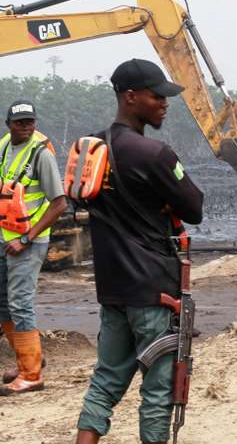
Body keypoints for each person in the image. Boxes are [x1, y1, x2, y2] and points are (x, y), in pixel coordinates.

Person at [75, 59, 204, 444]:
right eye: (157, 95)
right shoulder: (154, 154)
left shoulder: (89, 151)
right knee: (159, 391)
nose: (165, 103)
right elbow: (194, 209)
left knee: (105, 382)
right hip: (153, 291)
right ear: (131, 97)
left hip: (113, 290)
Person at [0, 100, 70, 395]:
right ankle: (27, 358)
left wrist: (27, 239)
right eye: (20, 122)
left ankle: (31, 374)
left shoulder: (41, 154)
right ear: (8, 124)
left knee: (20, 303)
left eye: (30, 121)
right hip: (1, 237)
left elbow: (59, 205)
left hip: (27, 243)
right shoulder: (4, 146)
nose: (26, 127)